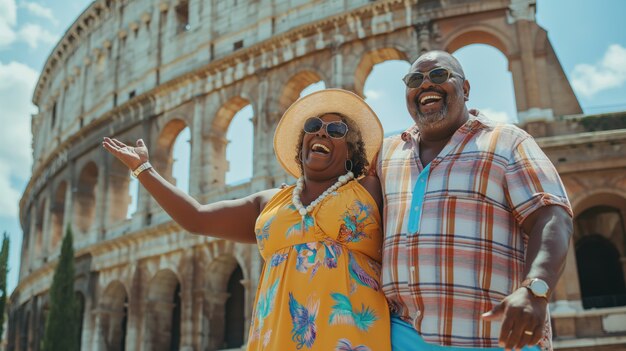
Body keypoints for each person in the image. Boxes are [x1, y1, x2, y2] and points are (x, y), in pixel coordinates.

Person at [102, 89, 391, 351]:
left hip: (350, 340)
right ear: (301, 144)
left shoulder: (371, 188)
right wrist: (144, 169)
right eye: (313, 127)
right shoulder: (270, 202)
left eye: (336, 129)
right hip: (275, 340)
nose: (322, 133)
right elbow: (196, 218)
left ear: (353, 151)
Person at [376, 50, 573, 351]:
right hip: (402, 337)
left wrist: (535, 291)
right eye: (415, 79)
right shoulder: (387, 154)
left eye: (439, 75)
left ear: (465, 89)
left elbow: (551, 215)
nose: (425, 84)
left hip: (494, 338)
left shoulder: (506, 142)